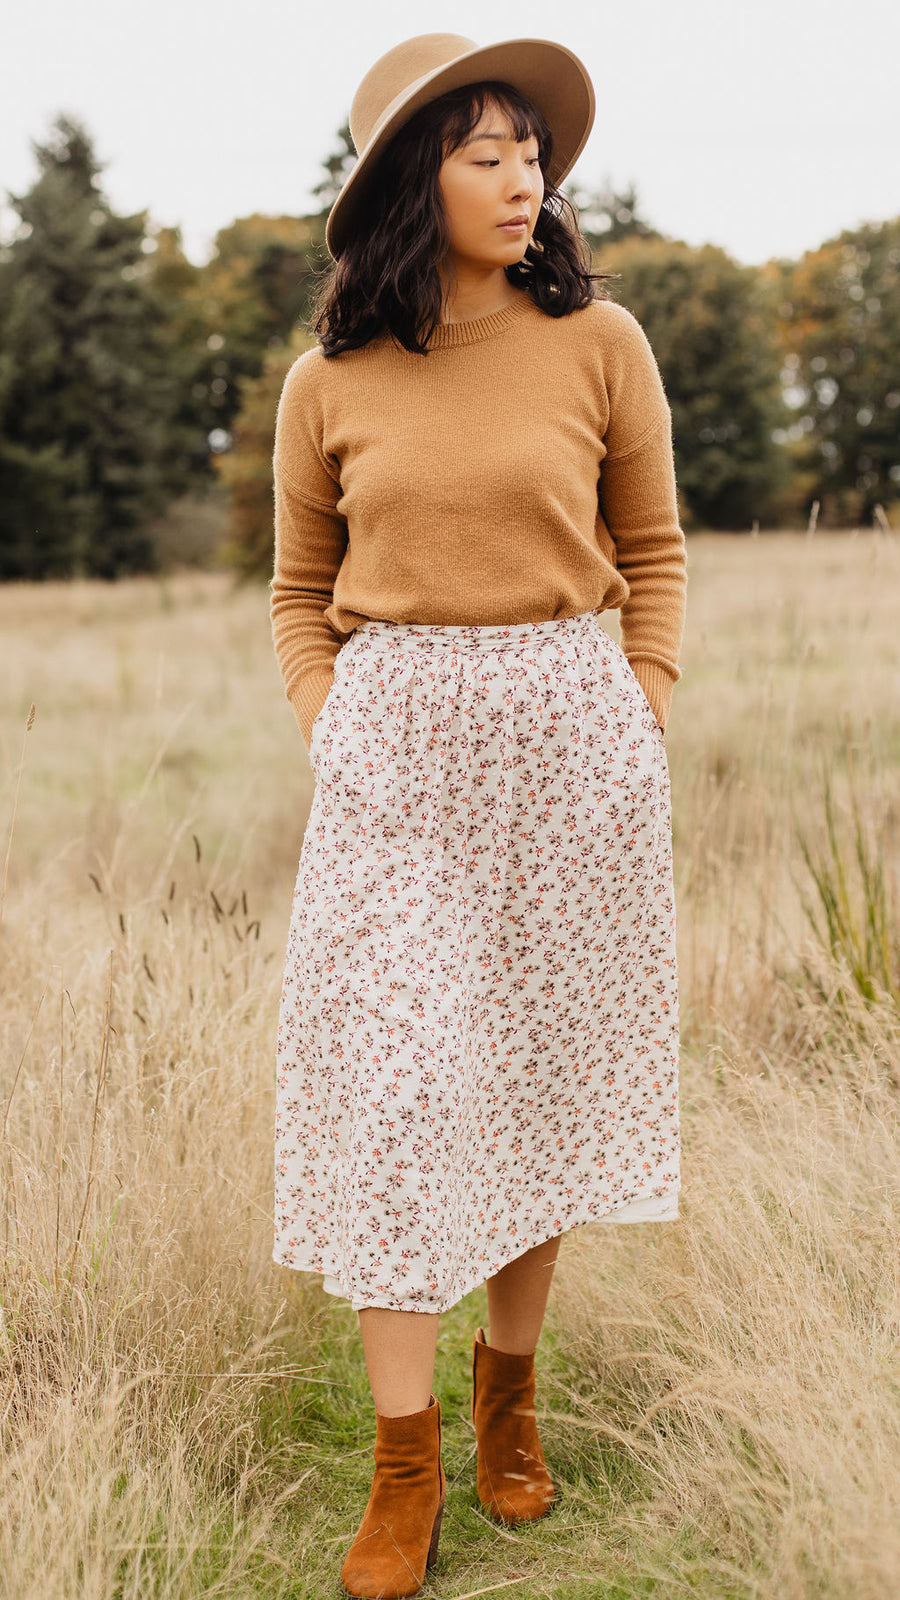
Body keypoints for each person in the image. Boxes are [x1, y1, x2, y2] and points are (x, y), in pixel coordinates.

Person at [269, 31, 686, 1600]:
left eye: (532, 152)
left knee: (530, 1091)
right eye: (485, 152)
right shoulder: (329, 382)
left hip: (574, 762)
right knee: (396, 1094)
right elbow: (300, 593)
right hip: (394, 777)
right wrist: (337, 732)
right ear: (406, 182)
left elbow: (653, 548)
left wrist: (636, 707)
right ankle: (403, 1471)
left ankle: (508, 1415)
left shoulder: (604, 346)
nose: (524, 180)